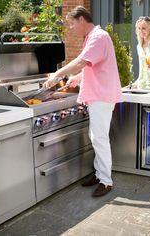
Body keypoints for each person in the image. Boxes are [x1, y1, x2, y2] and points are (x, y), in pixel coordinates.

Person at [43, 6, 122, 197]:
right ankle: (99, 174)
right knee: (95, 136)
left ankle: (106, 181)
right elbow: (90, 65)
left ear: (81, 20)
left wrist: (57, 74)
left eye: (71, 23)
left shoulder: (98, 37)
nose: (71, 28)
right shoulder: (92, 37)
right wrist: (77, 78)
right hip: (98, 95)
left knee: (100, 138)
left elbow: (80, 61)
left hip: (102, 96)